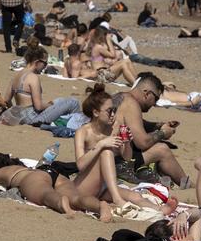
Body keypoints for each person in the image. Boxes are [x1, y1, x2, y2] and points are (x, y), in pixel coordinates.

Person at [73, 85, 174, 214]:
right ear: (96, 112)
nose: (113, 115)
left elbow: (127, 157)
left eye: (114, 110)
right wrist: (101, 145)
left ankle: (160, 210)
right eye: (109, 111)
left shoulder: (115, 127)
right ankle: (117, 199)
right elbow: (80, 165)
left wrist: (127, 143)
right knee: (106, 151)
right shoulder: (83, 132)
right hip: (84, 187)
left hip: (104, 185)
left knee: (135, 196)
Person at [112, 72, 190, 187]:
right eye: (156, 99)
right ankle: (186, 185)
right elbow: (142, 143)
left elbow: (135, 123)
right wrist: (163, 133)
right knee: (162, 149)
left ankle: (172, 181)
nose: (154, 104)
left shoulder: (122, 97)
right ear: (147, 93)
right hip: (118, 161)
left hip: (109, 154)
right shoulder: (131, 104)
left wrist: (158, 126)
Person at [2, 45, 81, 126]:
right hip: (33, 118)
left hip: (21, 115)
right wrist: (50, 105)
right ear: (37, 62)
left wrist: (15, 113)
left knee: (59, 101)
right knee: (73, 102)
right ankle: (74, 125)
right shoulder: (33, 77)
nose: (45, 66)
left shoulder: (16, 76)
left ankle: (63, 121)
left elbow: (6, 100)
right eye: (44, 63)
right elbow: (38, 106)